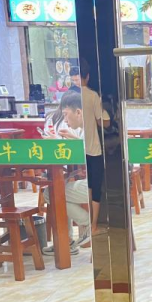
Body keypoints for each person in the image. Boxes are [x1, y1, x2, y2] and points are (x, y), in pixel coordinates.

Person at [59, 61, 109, 233]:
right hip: (94, 160)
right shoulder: (92, 98)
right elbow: (103, 122)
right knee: (58, 191)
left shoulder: (83, 100)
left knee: (55, 193)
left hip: (93, 168)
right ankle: (89, 227)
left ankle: (88, 226)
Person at [42, 91, 91, 255]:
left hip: (101, 183)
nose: (65, 119)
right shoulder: (91, 126)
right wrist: (73, 140)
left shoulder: (92, 129)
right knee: (54, 191)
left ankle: (88, 223)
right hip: (101, 180)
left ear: (78, 112)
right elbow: (88, 150)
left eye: (66, 114)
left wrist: (60, 142)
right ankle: (75, 233)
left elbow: (90, 154)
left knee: (51, 192)